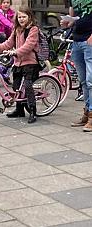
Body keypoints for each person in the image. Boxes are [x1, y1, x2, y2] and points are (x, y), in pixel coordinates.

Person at [0, 6, 40, 124]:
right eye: (19, 17)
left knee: (27, 85)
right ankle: (19, 110)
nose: (21, 19)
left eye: (24, 17)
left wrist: (15, 52)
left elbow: (28, 46)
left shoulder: (33, 29)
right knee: (16, 87)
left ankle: (32, 111)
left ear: (29, 17)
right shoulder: (16, 29)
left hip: (30, 62)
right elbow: (8, 43)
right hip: (18, 63)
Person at [62, 0, 92, 132]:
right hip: (77, 40)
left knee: (91, 81)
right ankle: (87, 112)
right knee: (84, 81)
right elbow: (74, 14)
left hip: (89, 40)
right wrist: (69, 23)